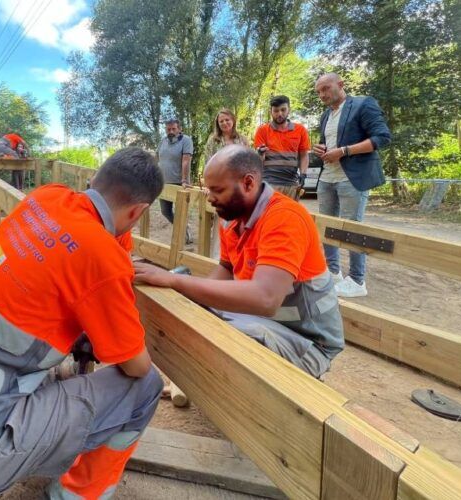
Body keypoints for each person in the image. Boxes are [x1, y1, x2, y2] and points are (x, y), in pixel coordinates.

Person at [0, 148, 165, 499]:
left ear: (93, 180)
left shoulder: (45, 198)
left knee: (62, 359)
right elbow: (136, 366)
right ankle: (74, 495)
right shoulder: (100, 256)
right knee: (146, 388)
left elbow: (87, 243)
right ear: (139, 211)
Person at [134, 145, 344, 379]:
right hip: (264, 323)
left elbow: (265, 298)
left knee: (223, 335)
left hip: (309, 344)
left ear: (248, 183)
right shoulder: (233, 219)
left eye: (218, 190)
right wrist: (192, 302)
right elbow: (226, 268)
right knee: (196, 315)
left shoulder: (284, 218)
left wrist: (176, 281)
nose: (210, 198)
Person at [312, 73, 391, 298]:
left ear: (340, 84)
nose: (322, 95)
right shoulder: (326, 115)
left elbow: (382, 138)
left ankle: (357, 280)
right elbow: (329, 144)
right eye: (318, 92)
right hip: (327, 177)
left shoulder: (363, 104)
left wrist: (344, 151)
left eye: (325, 89)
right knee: (328, 227)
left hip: (352, 178)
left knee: (353, 229)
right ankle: (333, 271)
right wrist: (321, 149)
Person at [204, 108, 249, 259]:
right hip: (221, 187)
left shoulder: (242, 140)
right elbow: (208, 164)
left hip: (239, 187)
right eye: (221, 121)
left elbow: (248, 162)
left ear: (233, 120)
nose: (224, 123)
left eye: (227, 120)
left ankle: (238, 258)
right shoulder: (213, 140)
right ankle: (219, 259)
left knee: (239, 224)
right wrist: (208, 186)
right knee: (221, 224)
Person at [253, 95, 311, 200]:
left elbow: (304, 155)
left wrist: (303, 174)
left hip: (291, 184)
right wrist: (260, 154)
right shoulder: (262, 130)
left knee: (289, 215)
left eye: (283, 110)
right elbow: (259, 161)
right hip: (269, 184)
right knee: (269, 215)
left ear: (289, 109)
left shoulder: (300, 130)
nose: (280, 114)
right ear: (271, 111)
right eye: (276, 111)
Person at [156, 119, 193, 243]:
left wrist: (184, 180)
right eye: (168, 129)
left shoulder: (186, 140)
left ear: (179, 129)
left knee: (181, 213)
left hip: (180, 183)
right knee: (165, 211)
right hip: (163, 182)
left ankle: (184, 233)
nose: (171, 131)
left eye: (173, 129)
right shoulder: (163, 141)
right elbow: (156, 159)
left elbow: (186, 160)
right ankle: (183, 228)